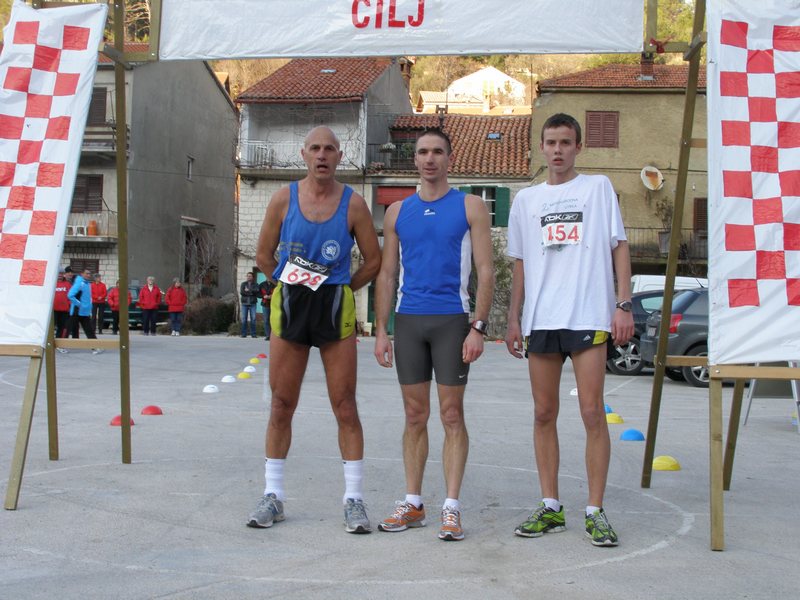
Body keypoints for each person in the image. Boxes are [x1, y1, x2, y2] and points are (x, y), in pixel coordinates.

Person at [504, 113, 634, 547]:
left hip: (588, 317)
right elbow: (520, 263)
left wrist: (623, 304)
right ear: (541, 147)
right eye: (551, 142)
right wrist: (513, 316)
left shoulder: (597, 189)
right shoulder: (525, 200)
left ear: (578, 147)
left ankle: (595, 512)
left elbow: (619, 247)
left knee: (592, 412)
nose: (558, 149)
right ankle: (551, 507)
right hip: (542, 320)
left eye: (566, 142)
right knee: (544, 413)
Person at [247, 126, 381, 534]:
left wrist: (340, 289)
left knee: (345, 405)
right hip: (290, 309)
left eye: (330, 149)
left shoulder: (354, 204)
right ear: (303, 155)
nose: (322, 155)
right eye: (315, 149)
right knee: (280, 405)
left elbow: (373, 261)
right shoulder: (283, 198)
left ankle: (354, 501)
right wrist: (290, 281)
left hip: (334, 311)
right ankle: (273, 496)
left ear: (340, 157)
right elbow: (262, 255)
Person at [373, 129, 494, 542]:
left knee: (451, 415)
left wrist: (478, 326)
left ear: (449, 157)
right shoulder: (396, 212)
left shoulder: (471, 206)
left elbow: (486, 270)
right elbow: (387, 275)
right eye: (423, 152)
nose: (429, 159)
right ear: (416, 159)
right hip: (408, 322)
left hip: (452, 321)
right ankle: (414, 503)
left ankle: (451, 508)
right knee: (413, 415)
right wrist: (381, 331)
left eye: (437, 152)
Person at [67, 268, 103, 354]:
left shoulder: (87, 284)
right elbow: (70, 295)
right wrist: (79, 304)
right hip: (77, 311)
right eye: (86, 273)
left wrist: (88, 308)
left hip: (84, 312)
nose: (88, 275)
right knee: (68, 328)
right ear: (82, 274)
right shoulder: (80, 283)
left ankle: (95, 346)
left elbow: (87, 298)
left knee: (89, 330)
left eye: (89, 274)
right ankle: (60, 346)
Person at [53, 269, 72, 350]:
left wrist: (69, 305)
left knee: (62, 327)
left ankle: (59, 344)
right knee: (51, 328)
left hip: (64, 310)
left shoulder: (67, 284)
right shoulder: (52, 283)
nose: (60, 275)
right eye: (58, 273)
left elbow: (71, 295)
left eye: (61, 273)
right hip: (53, 310)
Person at [239, 272, 259, 338]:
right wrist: (251, 293)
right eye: (248, 276)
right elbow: (242, 292)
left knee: (253, 319)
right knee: (244, 319)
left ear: (252, 277)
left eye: (250, 276)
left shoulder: (256, 284)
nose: (249, 277)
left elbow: (256, 291)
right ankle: (243, 334)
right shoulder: (243, 284)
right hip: (244, 304)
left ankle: (253, 334)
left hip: (253, 303)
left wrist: (248, 290)